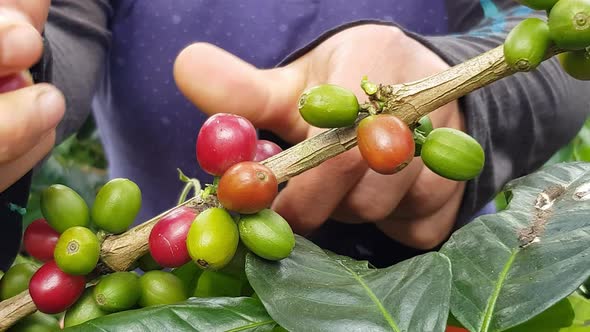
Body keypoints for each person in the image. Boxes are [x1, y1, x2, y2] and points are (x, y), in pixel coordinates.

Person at [1, 0, 588, 271]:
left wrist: (465, 99)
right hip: (181, 266)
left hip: (434, 280)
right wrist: (20, 79)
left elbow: (557, 39)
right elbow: (59, 27)